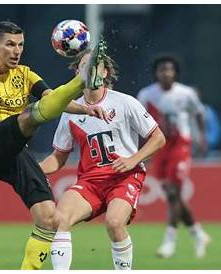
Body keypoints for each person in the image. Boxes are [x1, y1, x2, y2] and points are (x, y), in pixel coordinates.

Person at [0, 21, 107, 270]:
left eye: (20, 45)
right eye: (10, 44)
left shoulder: (25, 74)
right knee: (29, 116)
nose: (16, 51)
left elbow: (52, 100)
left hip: (14, 150)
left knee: (49, 217)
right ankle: (81, 81)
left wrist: (85, 109)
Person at [40, 44, 166, 270]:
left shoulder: (125, 102)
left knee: (114, 223)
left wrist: (133, 159)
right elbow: (58, 157)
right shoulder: (71, 111)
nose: (90, 71)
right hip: (90, 182)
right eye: (84, 66)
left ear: (105, 72)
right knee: (59, 219)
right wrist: (34, 169)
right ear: (77, 73)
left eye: (95, 66)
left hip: (124, 177)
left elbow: (158, 138)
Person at [137, 54, 211, 259]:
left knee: (173, 192)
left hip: (181, 145)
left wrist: (202, 137)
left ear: (175, 72)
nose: (166, 73)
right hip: (159, 147)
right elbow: (139, 122)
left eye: (169, 69)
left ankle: (169, 241)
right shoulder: (146, 95)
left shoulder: (186, 93)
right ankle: (197, 233)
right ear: (155, 73)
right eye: (162, 69)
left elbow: (199, 113)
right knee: (173, 195)